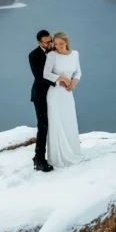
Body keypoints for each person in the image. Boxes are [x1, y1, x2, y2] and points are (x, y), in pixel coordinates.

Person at [42, 31, 83, 168]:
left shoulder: (75, 54)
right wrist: (63, 79)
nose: (58, 46)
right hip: (55, 93)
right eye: (56, 44)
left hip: (68, 93)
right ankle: (57, 157)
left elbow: (78, 71)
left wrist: (74, 81)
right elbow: (46, 74)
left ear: (66, 42)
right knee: (57, 123)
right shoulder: (52, 55)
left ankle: (73, 151)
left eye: (61, 43)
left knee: (69, 121)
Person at [28, 30, 57, 172]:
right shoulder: (33, 55)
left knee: (56, 123)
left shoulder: (55, 51)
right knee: (43, 125)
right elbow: (39, 77)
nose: (50, 44)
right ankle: (39, 159)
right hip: (40, 95)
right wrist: (58, 81)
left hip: (55, 95)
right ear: (39, 42)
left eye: (51, 41)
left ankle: (58, 153)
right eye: (47, 42)